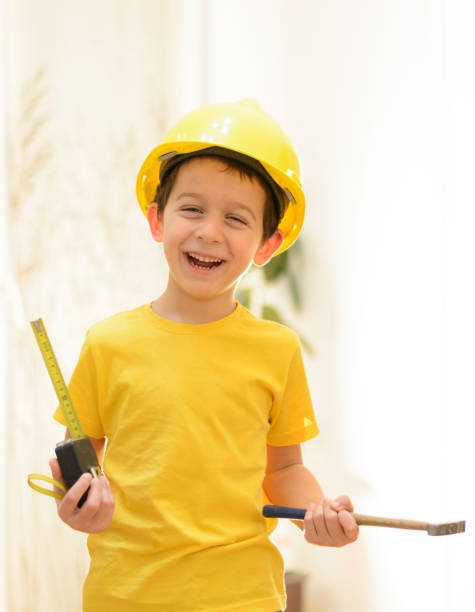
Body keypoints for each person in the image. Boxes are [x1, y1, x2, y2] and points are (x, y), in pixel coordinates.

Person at [50, 99, 359, 612]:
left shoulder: (276, 349)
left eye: (236, 218)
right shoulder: (107, 343)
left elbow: (283, 470)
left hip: (243, 597)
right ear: (156, 220)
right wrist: (77, 503)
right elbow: (77, 465)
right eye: (191, 209)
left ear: (267, 243)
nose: (209, 231)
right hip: (125, 596)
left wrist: (317, 513)